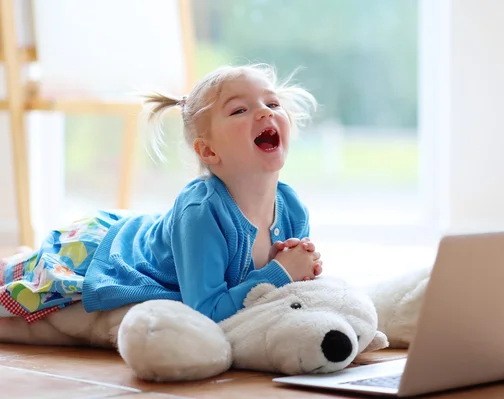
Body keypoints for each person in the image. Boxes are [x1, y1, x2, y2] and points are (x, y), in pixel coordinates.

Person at [0, 63, 323, 325]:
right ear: (208, 150)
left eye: (272, 103)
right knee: (21, 278)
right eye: (240, 110)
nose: (265, 112)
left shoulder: (292, 208)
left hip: (145, 227)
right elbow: (206, 312)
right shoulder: (201, 213)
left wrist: (304, 267)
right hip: (106, 249)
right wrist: (280, 272)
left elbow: (288, 292)